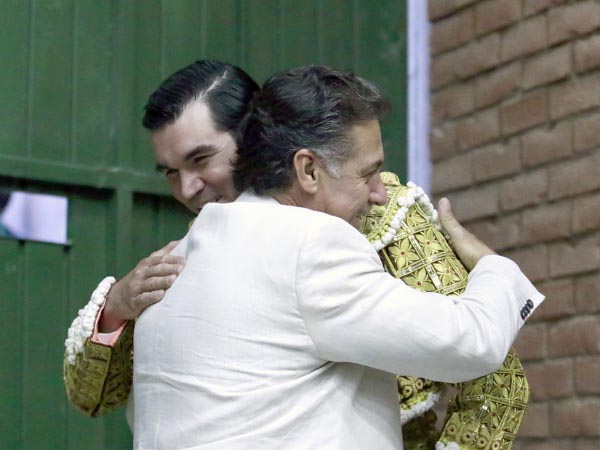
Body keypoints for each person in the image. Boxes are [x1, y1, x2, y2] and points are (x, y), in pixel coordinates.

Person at [63, 60, 532, 449]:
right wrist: (116, 309)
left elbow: (495, 384)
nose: (187, 189)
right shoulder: (201, 254)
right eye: (171, 171)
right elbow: (94, 398)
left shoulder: (373, 210)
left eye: (202, 159)